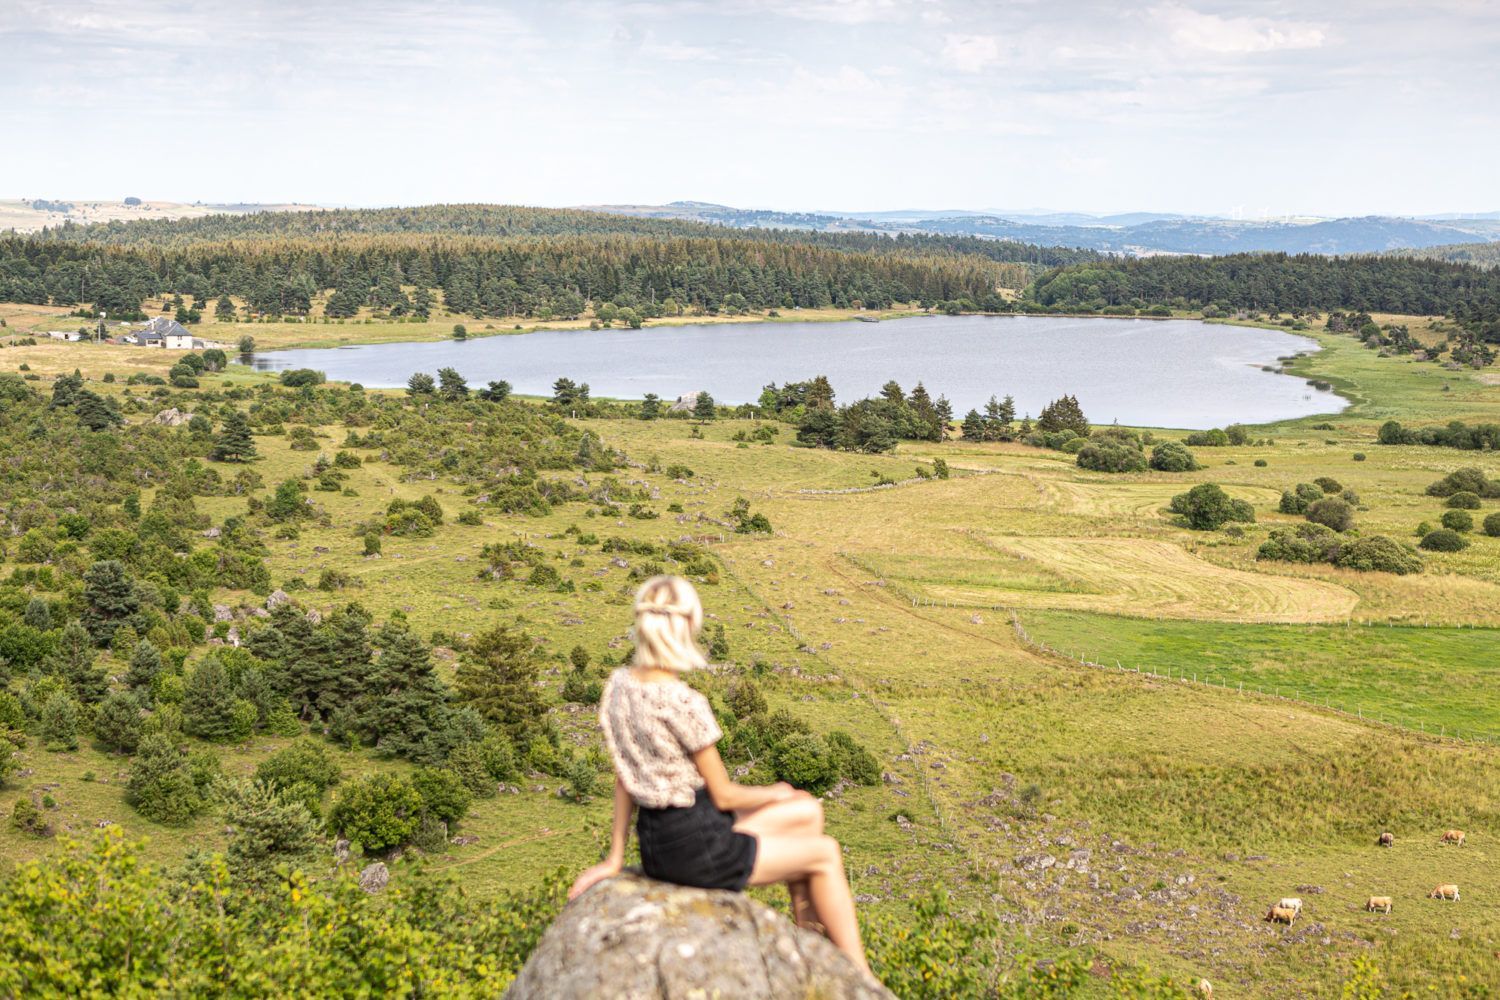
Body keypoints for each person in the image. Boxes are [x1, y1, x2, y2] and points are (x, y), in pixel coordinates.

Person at [568, 574, 872, 975]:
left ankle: (812, 946)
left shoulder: (619, 686)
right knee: (825, 853)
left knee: (808, 813)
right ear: (687, 626)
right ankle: (860, 977)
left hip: (661, 841)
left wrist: (615, 857)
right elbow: (726, 795)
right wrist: (775, 791)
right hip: (697, 848)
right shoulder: (682, 702)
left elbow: (625, 776)